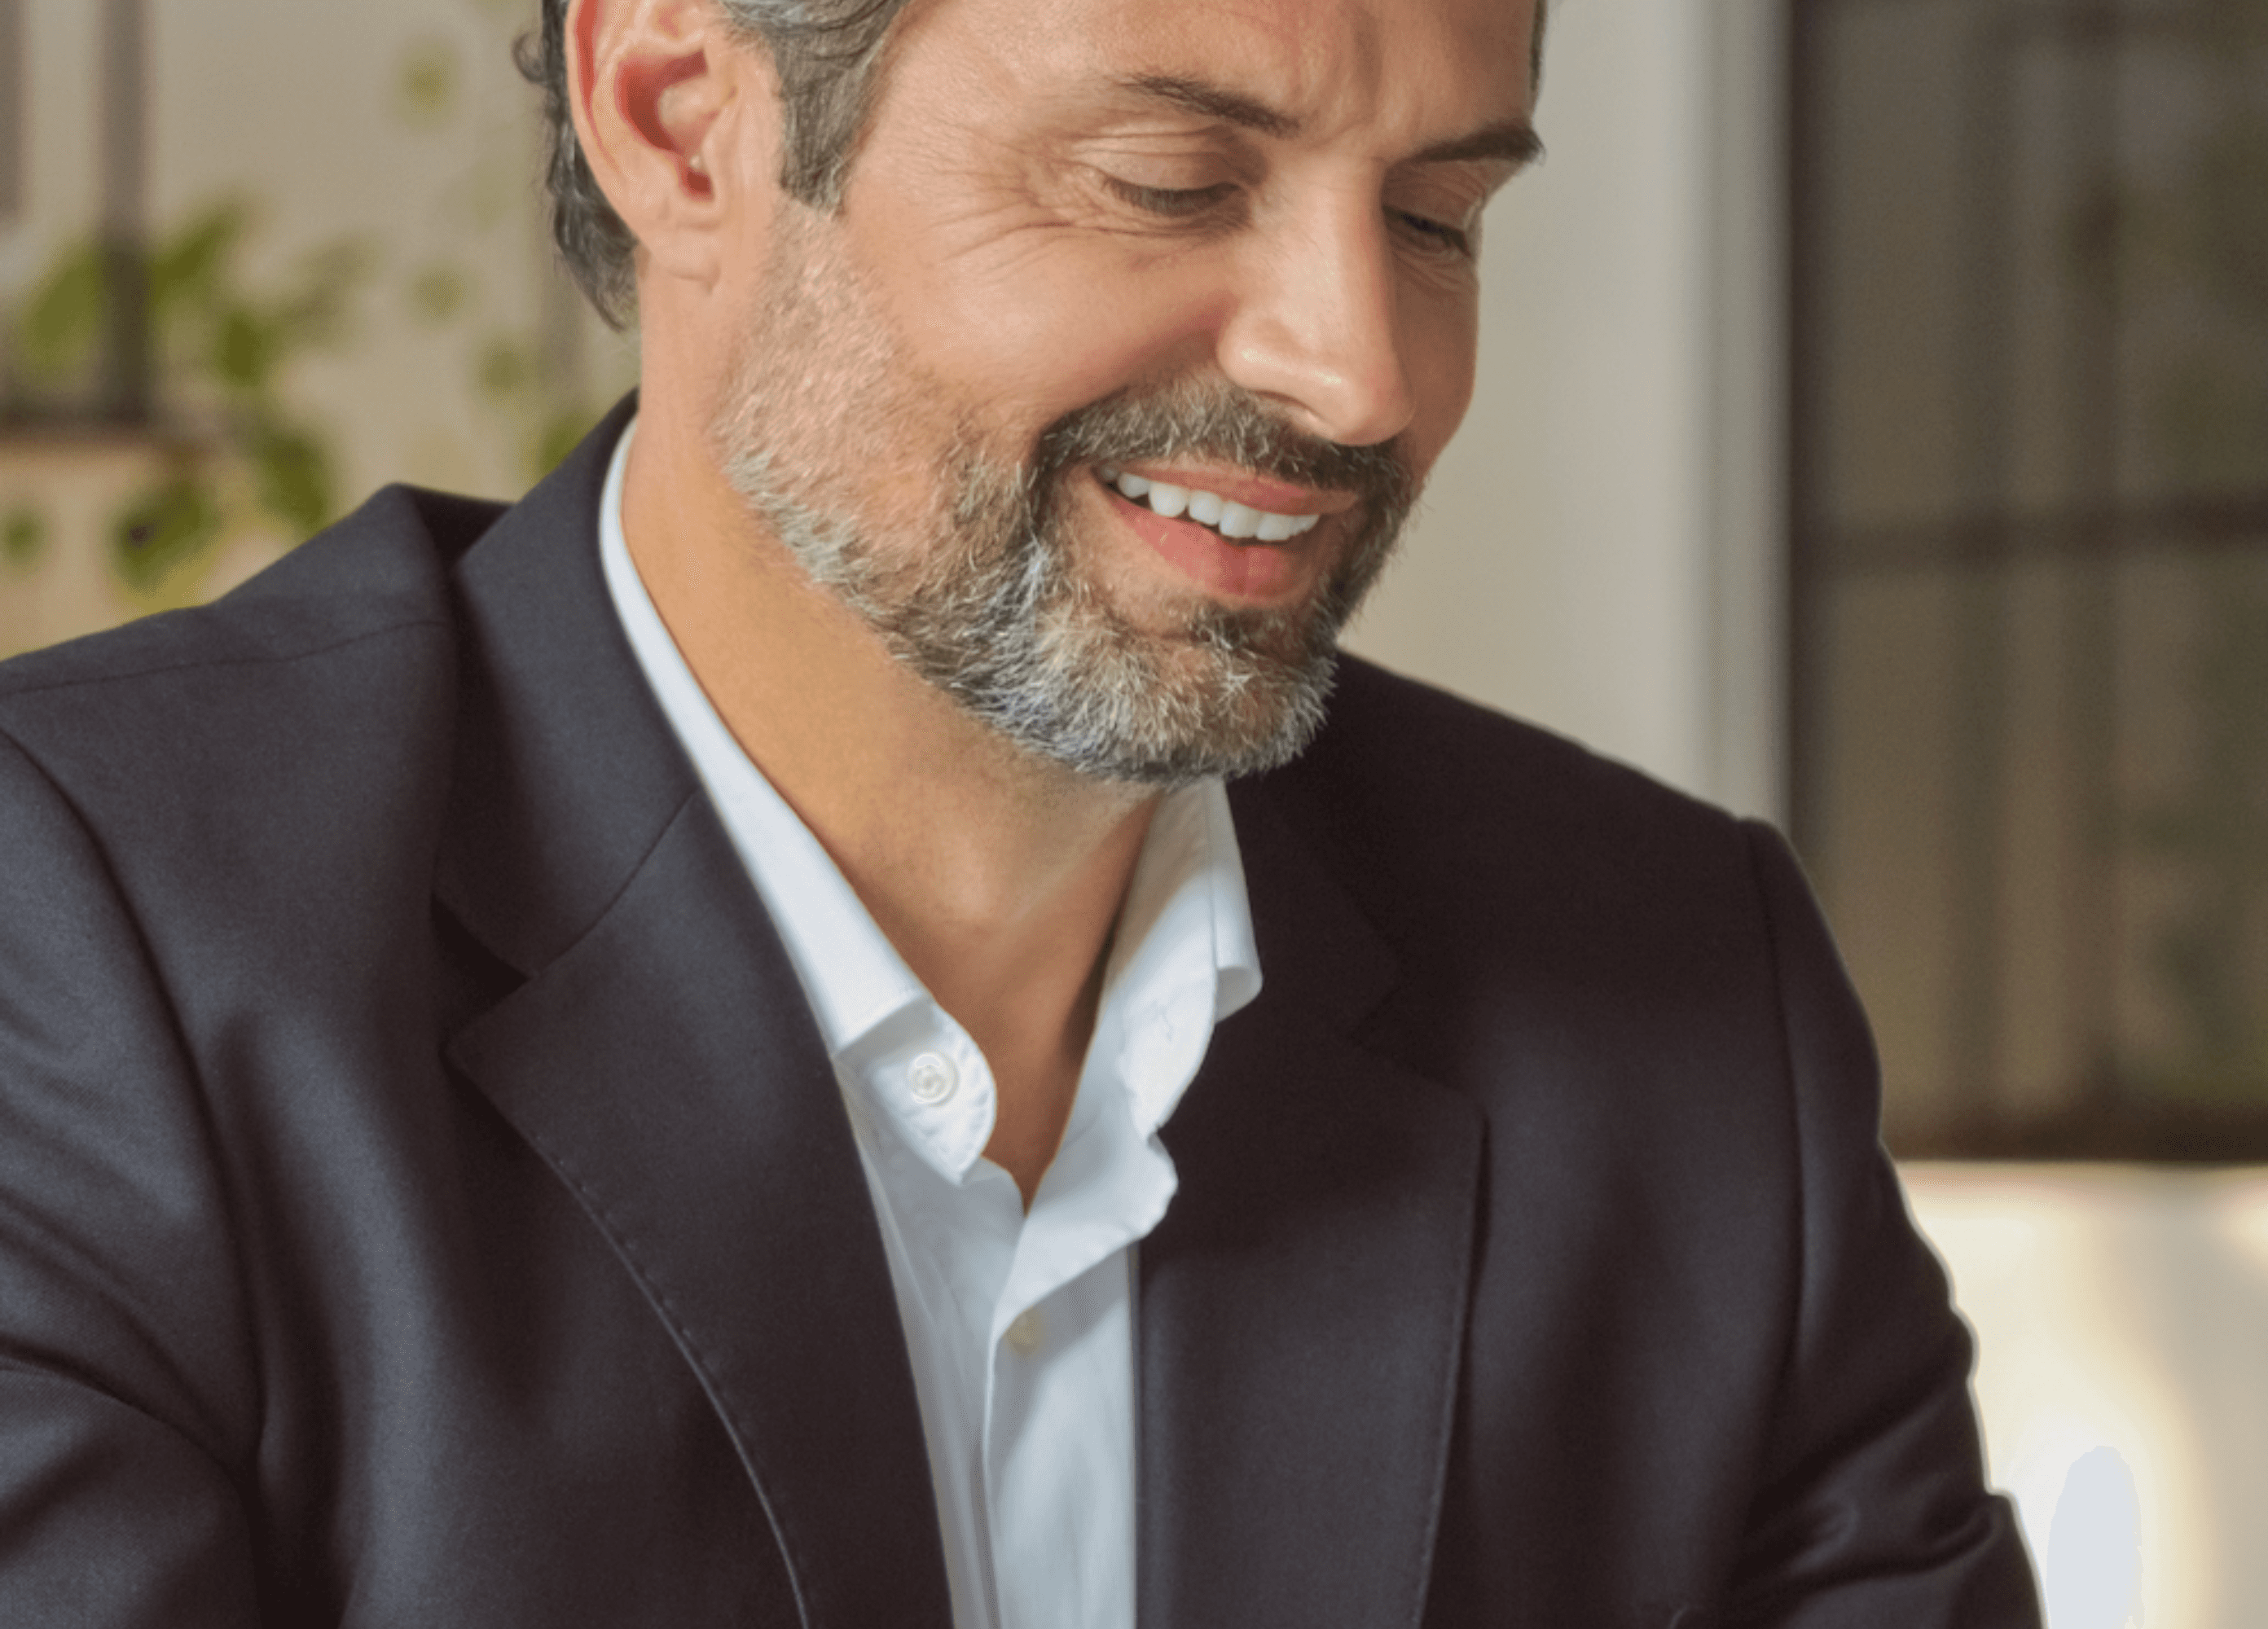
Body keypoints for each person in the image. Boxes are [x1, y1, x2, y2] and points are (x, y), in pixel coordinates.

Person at [0, 0, 2041, 1622]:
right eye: (1172, 179)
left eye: (1436, 216)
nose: (1358, 372)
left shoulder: (1688, 1004)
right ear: (682, 115)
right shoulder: (95, 945)